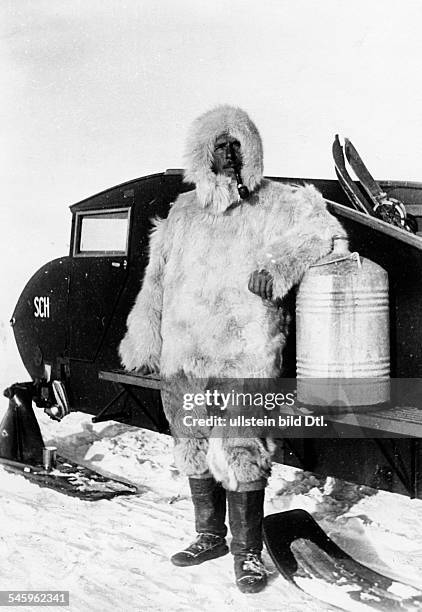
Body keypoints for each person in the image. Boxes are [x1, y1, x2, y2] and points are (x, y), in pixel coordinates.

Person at [119, 105, 346, 593]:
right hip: (186, 352)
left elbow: (325, 233)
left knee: (244, 449)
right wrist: (145, 336)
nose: (228, 154)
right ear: (202, 155)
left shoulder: (280, 202)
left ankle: (247, 554)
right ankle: (209, 536)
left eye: (237, 145)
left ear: (252, 151)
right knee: (193, 445)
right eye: (219, 146)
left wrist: (277, 263)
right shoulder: (181, 212)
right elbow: (155, 279)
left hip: (245, 352)